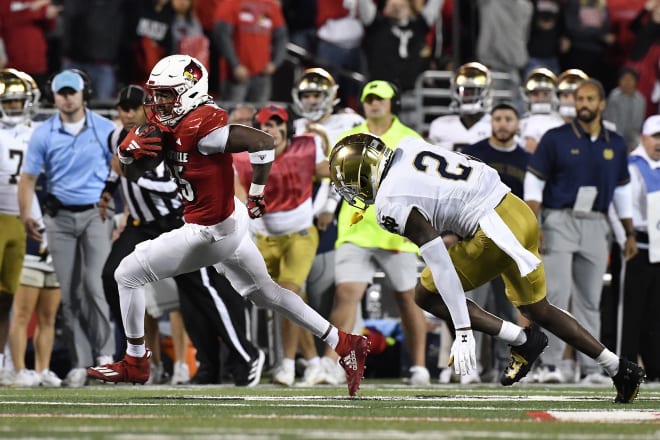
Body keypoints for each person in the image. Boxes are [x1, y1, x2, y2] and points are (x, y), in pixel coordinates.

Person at [85, 54, 369, 397]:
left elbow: (263, 144)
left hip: (211, 230)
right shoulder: (171, 122)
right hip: (226, 223)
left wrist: (257, 194)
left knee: (127, 272)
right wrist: (129, 157)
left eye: (166, 94)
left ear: (190, 92)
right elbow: (136, 172)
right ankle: (345, 342)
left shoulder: (204, 130)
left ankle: (135, 361)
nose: (158, 102)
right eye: (156, 94)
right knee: (268, 294)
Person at [329, 132, 646, 403]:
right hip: (515, 209)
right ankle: (620, 368)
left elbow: (438, 259)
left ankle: (523, 341)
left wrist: (463, 330)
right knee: (538, 308)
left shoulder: (389, 202)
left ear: (363, 173)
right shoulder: (409, 144)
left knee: (426, 294)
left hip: (492, 231)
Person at [101, 84, 265, 387]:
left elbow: (170, 184)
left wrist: (129, 168)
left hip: (179, 219)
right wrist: (108, 192)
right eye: (122, 109)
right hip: (140, 224)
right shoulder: (119, 135)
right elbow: (122, 172)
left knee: (203, 292)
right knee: (115, 275)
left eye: (132, 109)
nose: (126, 115)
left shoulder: (169, 131)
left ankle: (243, 355)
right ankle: (134, 353)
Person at [524, 79, 638, 384]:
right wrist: (533, 223)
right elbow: (534, 182)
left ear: (602, 104)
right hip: (559, 219)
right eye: (579, 99)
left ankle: (592, 368)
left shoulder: (614, 143)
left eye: (589, 99)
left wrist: (628, 231)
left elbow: (622, 192)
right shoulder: (555, 138)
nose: (583, 104)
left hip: (596, 221)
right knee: (556, 296)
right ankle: (550, 365)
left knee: (590, 299)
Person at [319, 80, 430, 387]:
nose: (374, 104)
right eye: (369, 99)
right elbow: (334, 178)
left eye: (380, 98)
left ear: (392, 102)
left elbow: (421, 186)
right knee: (346, 294)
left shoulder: (410, 139)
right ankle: (331, 363)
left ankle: (419, 366)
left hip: (396, 230)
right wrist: (327, 204)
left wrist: (416, 225)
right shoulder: (350, 137)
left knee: (409, 299)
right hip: (357, 227)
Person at [17, 68, 117, 387]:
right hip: (58, 217)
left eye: (72, 91)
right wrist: (25, 214)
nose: (67, 97)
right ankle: (81, 362)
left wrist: (122, 210)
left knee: (94, 284)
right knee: (70, 294)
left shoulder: (105, 128)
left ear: (83, 92)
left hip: (95, 214)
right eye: (62, 92)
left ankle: (104, 357)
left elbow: (121, 170)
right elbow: (29, 178)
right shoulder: (44, 133)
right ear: (54, 95)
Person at [234, 103, 330, 387]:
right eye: (266, 125)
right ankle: (313, 362)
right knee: (287, 300)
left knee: (288, 294)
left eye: (276, 124)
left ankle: (287, 365)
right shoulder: (242, 157)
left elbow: (333, 170)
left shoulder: (306, 147)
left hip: (299, 233)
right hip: (263, 236)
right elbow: (239, 196)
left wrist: (327, 140)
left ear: (288, 126)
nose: (271, 129)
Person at [461, 102, 528, 381]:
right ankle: (469, 367)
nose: (502, 123)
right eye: (498, 118)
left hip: (510, 240)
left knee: (507, 306)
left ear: (517, 124)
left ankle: (505, 364)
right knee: (472, 303)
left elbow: (528, 202)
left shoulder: (526, 158)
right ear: (491, 122)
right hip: (476, 235)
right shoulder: (474, 153)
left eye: (508, 118)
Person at [619, 114, 660, 382]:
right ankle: (627, 366)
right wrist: (626, 236)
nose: (659, 143)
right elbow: (622, 205)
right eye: (656, 137)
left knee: (655, 313)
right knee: (631, 313)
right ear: (644, 138)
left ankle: (654, 369)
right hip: (638, 245)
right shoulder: (632, 166)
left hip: (658, 249)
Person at [0, 69, 35, 382]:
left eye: (17, 102)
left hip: (24, 219)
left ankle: (8, 361)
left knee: (12, 296)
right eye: (8, 103)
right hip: (0, 215)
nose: (13, 108)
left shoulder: (36, 132)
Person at [428, 62, 493, 151]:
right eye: (463, 89)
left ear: (485, 92)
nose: (467, 94)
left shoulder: (495, 125)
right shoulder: (440, 125)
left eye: (473, 90)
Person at [518, 67, 564, 153]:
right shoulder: (520, 123)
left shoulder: (561, 123)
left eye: (545, 94)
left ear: (554, 96)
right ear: (527, 96)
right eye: (535, 94)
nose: (540, 98)